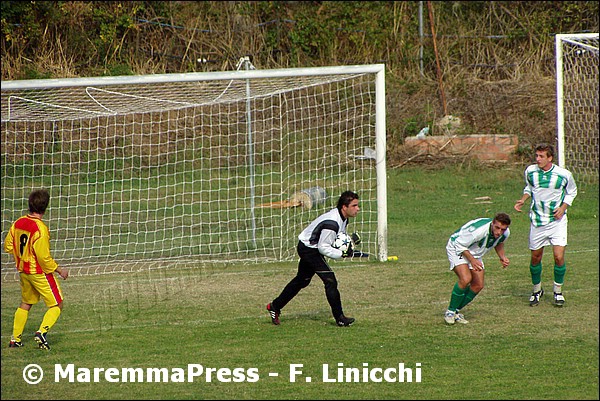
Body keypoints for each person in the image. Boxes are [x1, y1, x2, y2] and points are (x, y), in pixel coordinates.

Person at [266, 190, 359, 327]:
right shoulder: (332, 223)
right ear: (344, 207)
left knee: (302, 281)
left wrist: (348, 244)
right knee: (330, 281)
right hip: (309, 249)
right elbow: (323, 247)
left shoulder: (343, 218)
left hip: (311, 247)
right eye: (354, 206)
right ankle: (340, 318)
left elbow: (336, 238)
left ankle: (274, 306)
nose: (358, 209)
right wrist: (342, 254)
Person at [514, 143, 577, 307]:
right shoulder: (530, 171)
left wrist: (563, 208)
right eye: (537, 156)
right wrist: (523, 199)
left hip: (557, 222)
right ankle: (537, 290)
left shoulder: (564, 175)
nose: (538, 159)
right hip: (537, 221)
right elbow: (530, 188)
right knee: (535, 258)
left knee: (558, 256)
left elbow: (572, 192)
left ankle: (558, 291)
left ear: (550, 158)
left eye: (541, 156)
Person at [4, 189, 68, 349]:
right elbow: (43, 257)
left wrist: (21, 256)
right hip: (39, 273)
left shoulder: (18, 223)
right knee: (57, 304)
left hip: (23, 272)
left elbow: (8, 245)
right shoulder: (40, 229)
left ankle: (15, 339)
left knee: (26, 303)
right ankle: (42, 332)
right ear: (45, 207)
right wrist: (59, 269)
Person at [443, 212, 512, 325]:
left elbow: (499, 242)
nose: (499, 232)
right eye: (497, 228)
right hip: (457, 247)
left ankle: (456, 311)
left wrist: (502, 257)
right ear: (492, 223)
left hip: (474, 253)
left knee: (478, 285)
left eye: (503, 229)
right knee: (466, 279)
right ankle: (450, 312)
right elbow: (460, 244)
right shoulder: (479, 231)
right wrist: (472, 260)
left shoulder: (505, 234)